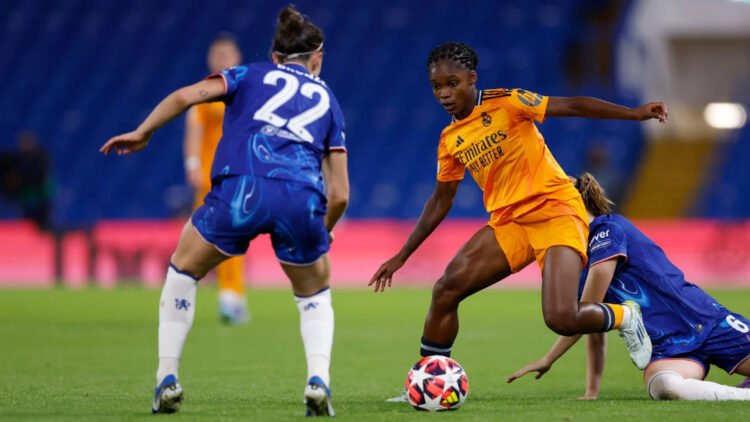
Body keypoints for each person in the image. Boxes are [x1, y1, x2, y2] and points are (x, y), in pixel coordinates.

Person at [101, 6, 348, 416]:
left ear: (275, 57)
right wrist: (325, 229)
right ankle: (317, 381)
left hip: (242, 189)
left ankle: (167, 378)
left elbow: (185, 97)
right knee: (314, 292)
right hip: (300, 199)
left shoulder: (248, 74)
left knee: (182, 270)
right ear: (317, 59)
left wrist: (143, 132)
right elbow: (340, 194)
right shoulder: (328, 100)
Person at [369, 42, 667, 368]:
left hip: (555, 210)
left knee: (561, 318)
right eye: (436, 87)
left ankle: (624, 315)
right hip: (510, 222)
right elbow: (441, 200)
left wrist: (633, 114)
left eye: (452, 84)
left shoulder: (508, 102)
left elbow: (572, 105)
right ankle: (429, 376)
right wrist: (402, 255)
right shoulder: (450, 140)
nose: (444, 93)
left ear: (471, 78)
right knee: (445, 290)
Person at [507, 173, 750, 401]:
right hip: (668, 347)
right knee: (663, 386)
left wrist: (549, 357)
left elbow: (587, 309)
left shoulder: (607, 230)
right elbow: (595, 322)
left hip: (706, 320)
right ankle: (742, 396)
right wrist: (592, 390)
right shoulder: (581, 260)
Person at [184, 33, 249, 324]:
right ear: (211, 60)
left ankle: (231, 296)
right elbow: (193, 130)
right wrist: (193, 165)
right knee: (201, 238)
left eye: (228, 55)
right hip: (210, 178)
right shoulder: (206, 92)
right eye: (219, 56)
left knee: (235, 236)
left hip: (237, 176)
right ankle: (187, 290)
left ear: (237, 58)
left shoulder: (247, 90)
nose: (224, 60)